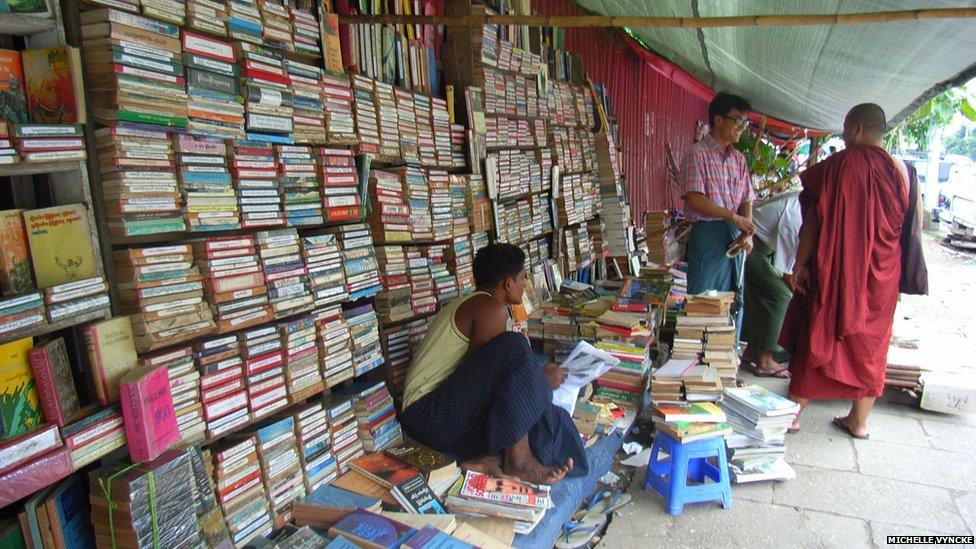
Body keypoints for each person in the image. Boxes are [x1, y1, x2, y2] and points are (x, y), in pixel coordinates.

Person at [399, 243, 586, 483]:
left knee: (549, 416)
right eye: (522, 277)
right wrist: (539, 379)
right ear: (508, 283)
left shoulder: (474, 303)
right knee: (515, 346)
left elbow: (485, 383)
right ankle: (518, 462)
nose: (525, 284)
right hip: (427, 417)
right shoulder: (489, 308)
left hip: (438, 413)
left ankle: (491, 459)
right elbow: (493, 384)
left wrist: (536, 378)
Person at [780, 103, 909, 438]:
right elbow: (910, 225)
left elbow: (813, 220)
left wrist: (800, 264)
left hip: (839, 269)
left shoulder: (840, 165)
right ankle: (859, 421)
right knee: (871, 343)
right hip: (882, 274)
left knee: (819, 330)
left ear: (855, 130)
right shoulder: (900, 171)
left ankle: (794, 415)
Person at [680, 92, 757, 299]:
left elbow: (746, 198)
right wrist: (731, 216)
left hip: (735, 237)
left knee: (731, 300)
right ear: (718, 119)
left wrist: (747, 231)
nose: (742, 128)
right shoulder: (697, 154)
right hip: (708, 236)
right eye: (738, 121)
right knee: (703, 301)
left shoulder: (739, 159)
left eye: (745, 122)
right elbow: (694, 198)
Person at [741, 190, 801, 378]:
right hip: (749, 247)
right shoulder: (796, 213)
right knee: (781, 296)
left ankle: (752, 350)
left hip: (761, 249)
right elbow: (787, 273)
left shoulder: (799, 202)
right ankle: (765, 361)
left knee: (760, 296)